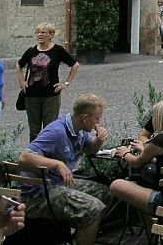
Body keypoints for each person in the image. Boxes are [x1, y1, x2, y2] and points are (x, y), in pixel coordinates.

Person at [18, 94, 111, 245]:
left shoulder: (79, 130)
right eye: (97, 118)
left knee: (106, 193)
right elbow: (23, 158)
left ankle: (79, 235)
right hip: (39, 194)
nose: (99, 122)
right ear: (85, 117)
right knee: (93, 209)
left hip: (59, 184)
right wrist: (57, 164)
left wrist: (98, 141)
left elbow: (89, 150)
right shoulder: (56, 132)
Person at [16, 23, 80, 141]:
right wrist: (21, 81)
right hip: (31, 96)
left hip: (51, 96)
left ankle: (49, 155)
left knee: (50, 129)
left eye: (43, 32)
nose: (40, 35)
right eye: (38, 32)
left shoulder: (58, 50)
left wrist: (66, 83)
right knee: (34, 130)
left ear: (51, 35)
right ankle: (34, 155)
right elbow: (19, 65)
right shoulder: (31, 51)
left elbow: (75, 65)